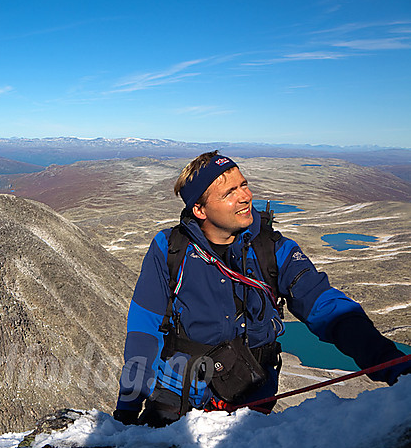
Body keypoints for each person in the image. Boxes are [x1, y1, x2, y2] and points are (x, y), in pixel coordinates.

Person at [114, 151, 410, 427]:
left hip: (250, 403)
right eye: (230, 192)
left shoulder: (274, 249)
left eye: (244, 185)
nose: (246, 197)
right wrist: (128, 406)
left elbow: (327, 307)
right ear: (200, 209)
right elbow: (144, 329)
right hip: (177, 403)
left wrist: (391, 363)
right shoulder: (169, 249)